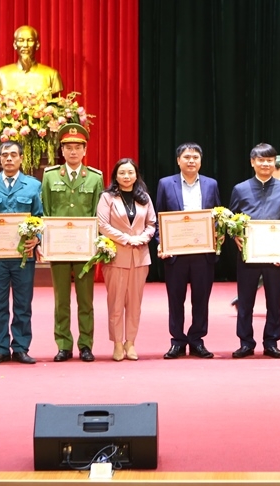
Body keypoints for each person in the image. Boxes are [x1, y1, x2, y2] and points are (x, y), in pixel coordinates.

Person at [41, 123, 104, 362]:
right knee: (61, 300)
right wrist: (46, 242)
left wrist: (97, 244)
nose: (73, 151)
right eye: (68, 147)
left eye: (78, 147)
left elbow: (98, 214)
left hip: (84, 248)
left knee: (86, 300)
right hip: (58, 247)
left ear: (85, 150)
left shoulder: (95, 178)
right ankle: (63, 345)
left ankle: (86, 344)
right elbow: (46, 210)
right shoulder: (50, 176)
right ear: (62, 150)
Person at [0, 141, 43, 364]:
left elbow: (40, 217)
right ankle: (1, 347)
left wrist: (37, 238)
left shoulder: (33, 186)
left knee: (23, 304)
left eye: (14, 155)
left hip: (23, 256)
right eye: (5, 155)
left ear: (21, 158)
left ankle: (21, 347)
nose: (9, 159)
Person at [229, 144, 280, 359]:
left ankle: (271, 342)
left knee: (274, 302)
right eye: (261, 160)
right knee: (245, 301)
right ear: (252, 162)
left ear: (274, 162)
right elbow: (231, 219)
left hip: (275, 256)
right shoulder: (240, 189)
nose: (265, 164)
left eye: (269, 160)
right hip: (248, 254)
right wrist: (234, 235)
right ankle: (245, 342)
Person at [156, 142, 221, 359]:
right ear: (178, 160)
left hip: (203, 253)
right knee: (175, 300)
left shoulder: (211, 184)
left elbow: (217, 215)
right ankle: (177, 341)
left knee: (201, 300)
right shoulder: (166, 184)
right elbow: (159, 218)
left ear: (200, 161)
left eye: (195, 157)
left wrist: (217, 235)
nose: (191, 161)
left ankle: (197, 340)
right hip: (175, 253)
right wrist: (162, 243)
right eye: (186, 157)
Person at [97, 158, 156, 361]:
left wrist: (143, 238)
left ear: (136, 175)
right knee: (115, 303)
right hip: (116, 256)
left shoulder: (144, 198)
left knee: (134, 304)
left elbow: (151, 224)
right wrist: (127, 239)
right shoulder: (107, 197)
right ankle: (117, 343)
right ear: (115, 176)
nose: (126, 176)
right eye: (122, 173)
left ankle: (130, 342)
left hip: (140, 257)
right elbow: (103, 225)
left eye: (130, 172)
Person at [0, 25, 63, 94]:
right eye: (21, 40)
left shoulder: (52, 75)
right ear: (15, 45)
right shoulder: (0, 74)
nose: (25, 45)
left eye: (30, 40)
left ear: (37, 45)